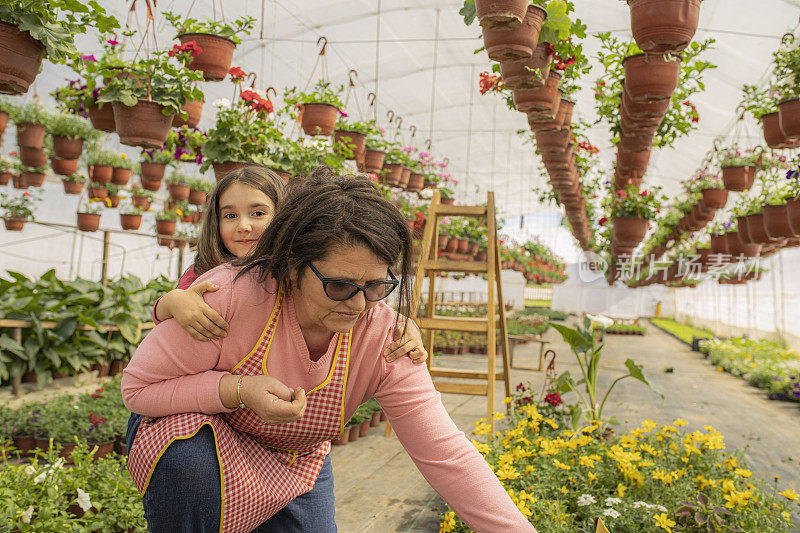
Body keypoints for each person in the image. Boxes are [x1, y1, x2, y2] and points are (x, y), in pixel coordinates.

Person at [122, 166, 536, 532]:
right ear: (291, 265)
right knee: (190, 469)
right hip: (203, 439)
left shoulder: (386, 340)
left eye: (376, 286)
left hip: (293, 458)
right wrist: (236, 390)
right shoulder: (226, 297)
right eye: (339, 286)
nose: (358, 305)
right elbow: (137, 390)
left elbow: (446, 453)